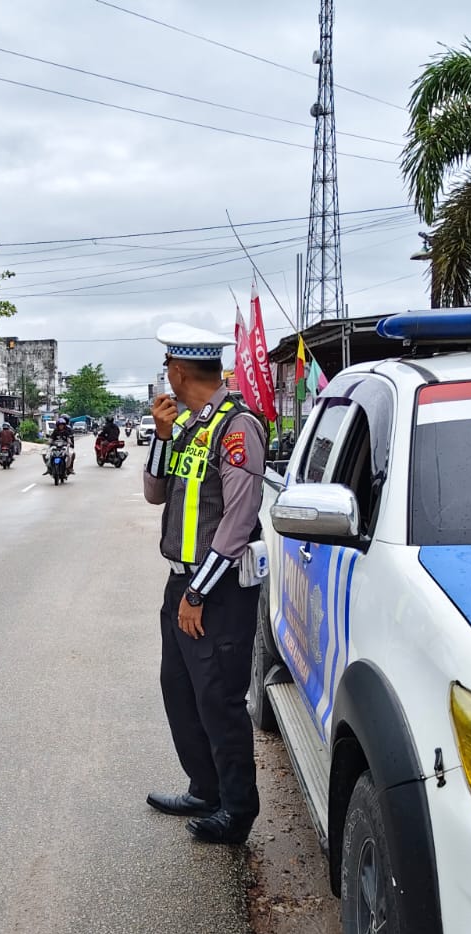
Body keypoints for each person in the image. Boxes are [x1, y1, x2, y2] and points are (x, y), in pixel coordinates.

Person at [141, 322, 267, 845]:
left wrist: (199, 593)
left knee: (219, 700)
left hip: (217, 593)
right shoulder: (191, 426)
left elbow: (239, 520)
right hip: (181, 585)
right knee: (182, 692)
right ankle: (204, 788)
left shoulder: (237, 428)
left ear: (176, 371)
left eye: (167, 369)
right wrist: (163, 435)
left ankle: (237, 812)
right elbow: (155, 492)